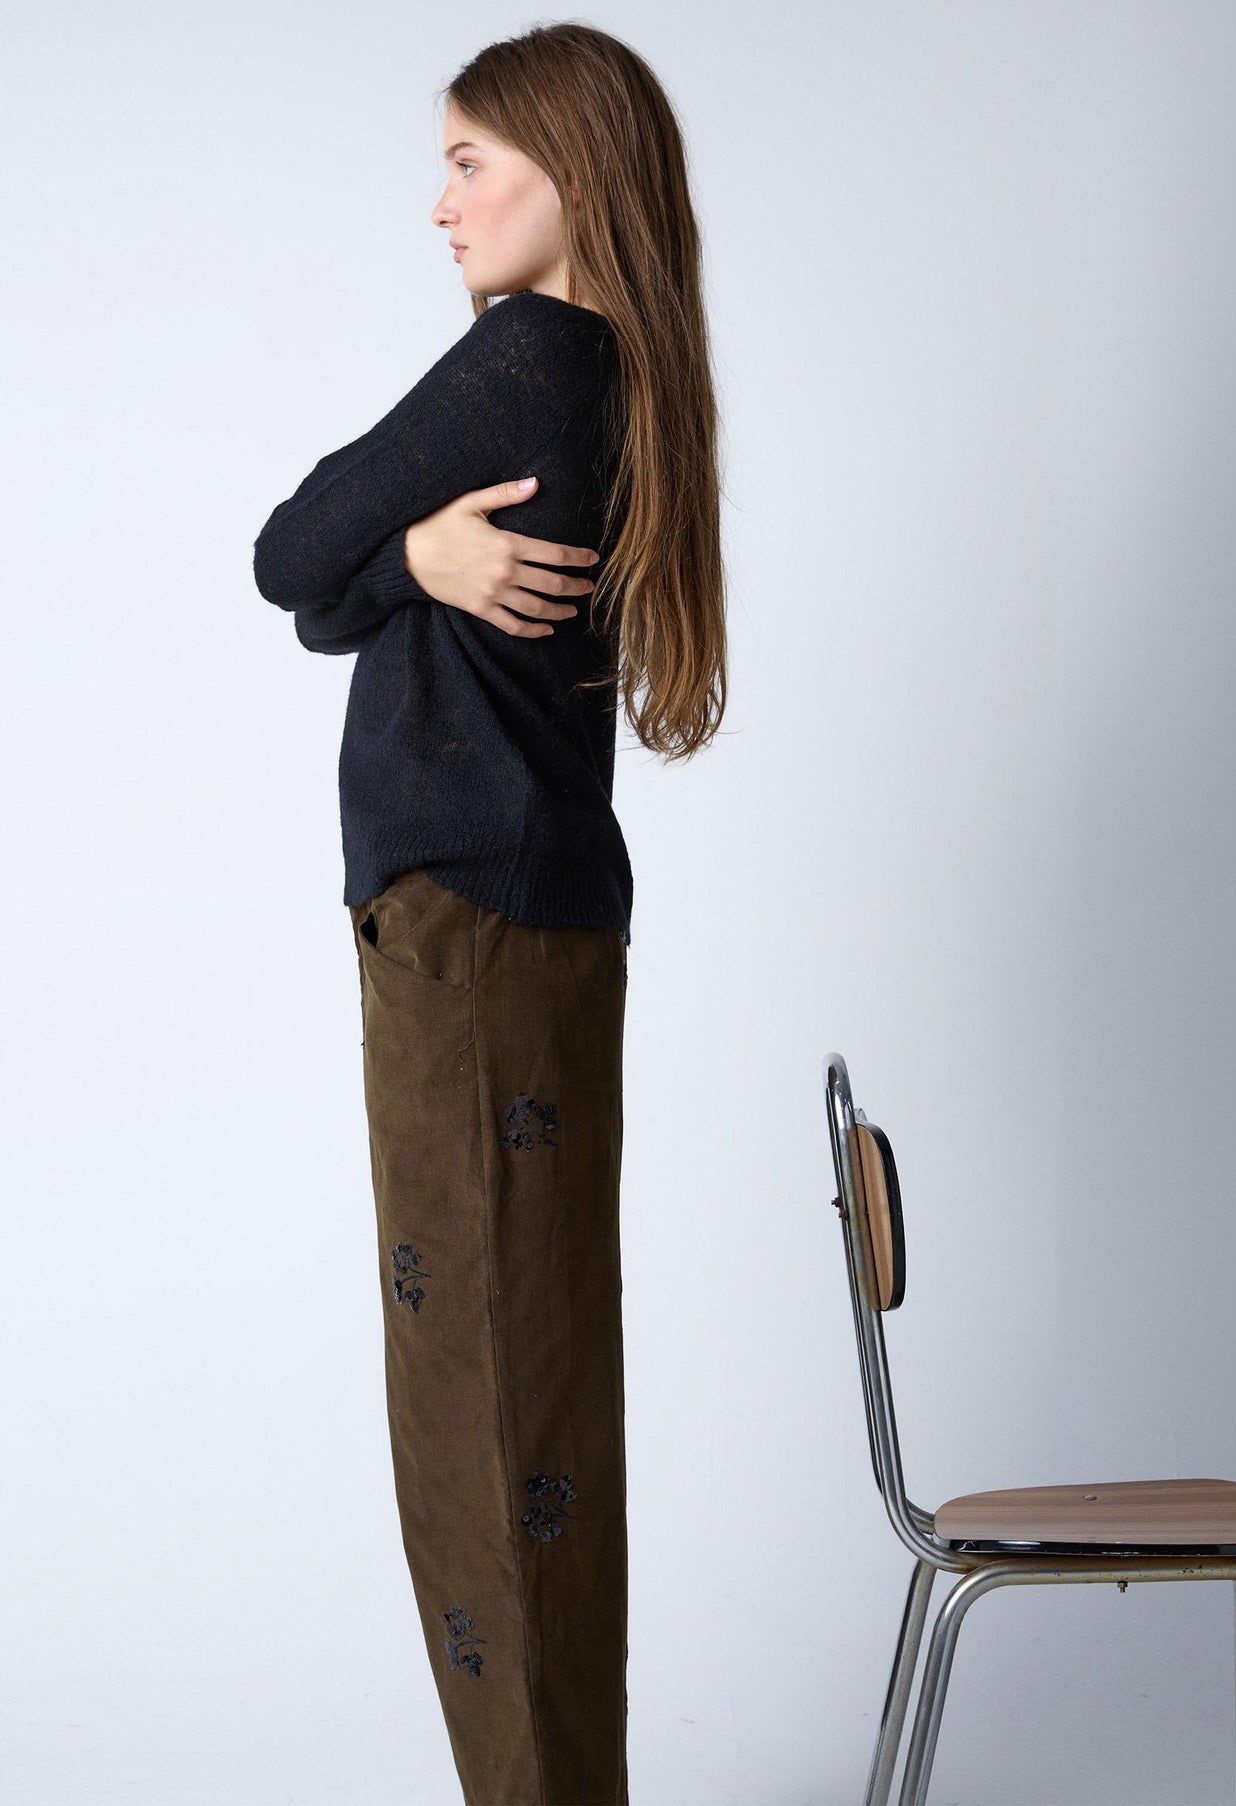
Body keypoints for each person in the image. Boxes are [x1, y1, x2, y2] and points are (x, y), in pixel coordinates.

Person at [251, 23, 727, 1804]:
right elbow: (334, 595)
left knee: (478, 1410)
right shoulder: (611, 375)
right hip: (530, 925)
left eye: (472, 162)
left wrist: (386, 560)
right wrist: (424, 561)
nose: (438, 199)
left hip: (466, 928)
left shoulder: (529, 352)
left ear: (571, 179)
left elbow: (288, 552)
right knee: (530, 1397)